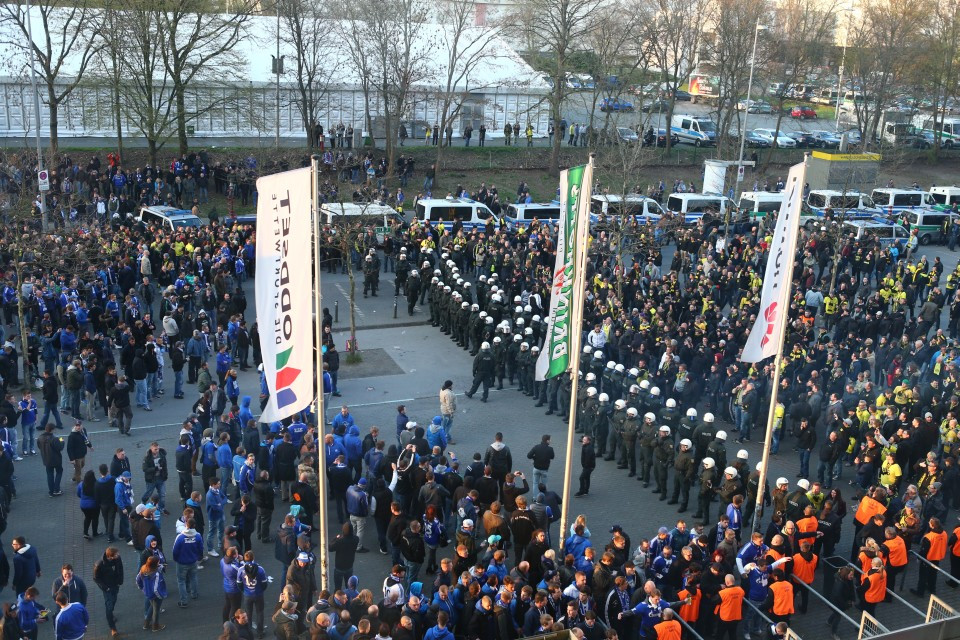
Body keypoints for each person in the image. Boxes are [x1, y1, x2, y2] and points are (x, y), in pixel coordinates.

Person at [93, 546, 124, 638]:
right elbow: (96, 578)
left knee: (113, 600)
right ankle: (113, 628)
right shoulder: (99, 564)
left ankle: (111, 615)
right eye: (116, 555)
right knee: (109, 606)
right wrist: (105, 588)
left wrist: (120, 581)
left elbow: (120, 569)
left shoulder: (117, 558)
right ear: (110, 557)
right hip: (107, 588)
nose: (118, 555)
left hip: (115, 585)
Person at [173, 517, 203, 608]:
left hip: (181, 563)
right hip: (193, 561)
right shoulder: (198, 536)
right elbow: (201, 549)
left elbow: (175, 551)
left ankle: (184, 601)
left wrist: (176, 559)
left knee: (181, 581)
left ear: (186, 524)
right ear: (194, 525)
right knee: (193, 577)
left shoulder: (180, 537)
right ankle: (194, 594)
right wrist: (197, 557)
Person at [136, 555, 167, 632]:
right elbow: (156, 588)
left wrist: (142, 589)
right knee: (156, 610)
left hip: (148, 593)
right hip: (155, 595)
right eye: (158, 562)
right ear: (155, 564)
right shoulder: (156, 574)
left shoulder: (143, 568)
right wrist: (160, 596)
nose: (159, 562)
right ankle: (155, 626)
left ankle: (146, 624)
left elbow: (137, 580)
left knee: (152, 607)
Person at [36, 424, 64, 497]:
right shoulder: (54, 439)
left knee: (49, 475)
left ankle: (51, 492)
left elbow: (39, 446)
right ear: (52, 430)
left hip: (46, 459)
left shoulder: (40, 437)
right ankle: (56, 489)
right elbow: (60, 447)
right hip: (56, 459)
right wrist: (61, 440)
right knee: (59, 472)